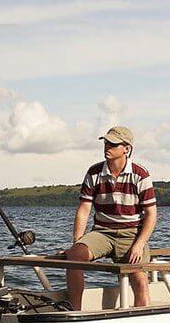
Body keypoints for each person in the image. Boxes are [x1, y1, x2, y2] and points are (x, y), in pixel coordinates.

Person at [63, 126, 157, 310]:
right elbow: (84, 209)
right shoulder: (94, 172)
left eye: (113, 144)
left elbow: (151, 215)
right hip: (102, 233)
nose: (107, 146)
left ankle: (143, 317)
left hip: (131, 233)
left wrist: (138, 245)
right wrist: (77, 241)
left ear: (126, 148)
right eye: (106, 142)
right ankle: (74, 312)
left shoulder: (140, 174)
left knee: (139, 277)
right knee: (74, 256)